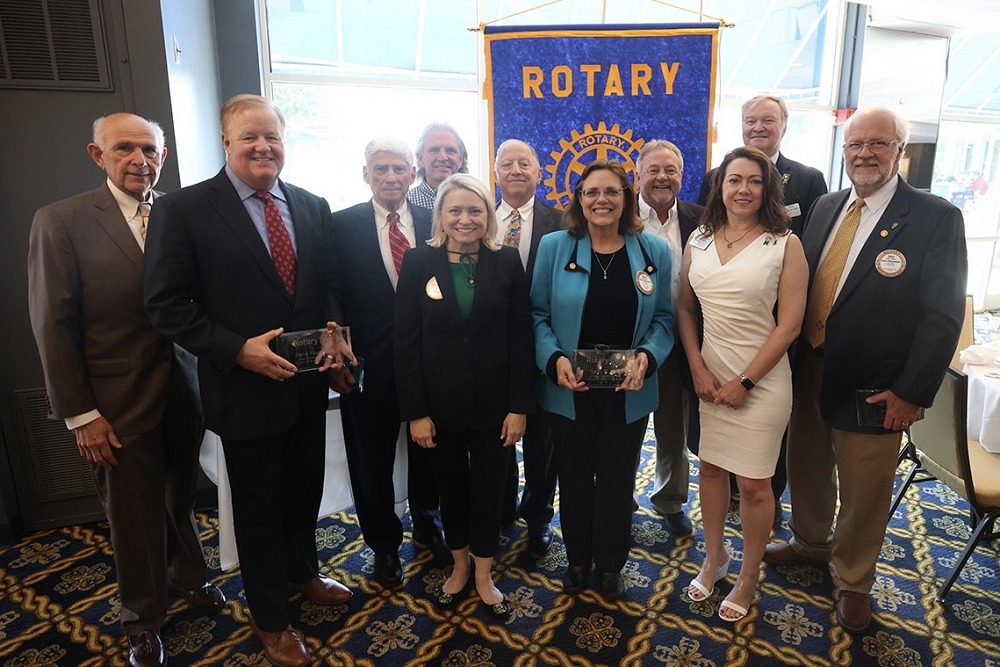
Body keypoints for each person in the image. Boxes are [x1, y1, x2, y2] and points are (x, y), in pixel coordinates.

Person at [143, 94, 353, 667]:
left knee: (303, 491)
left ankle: (302, 573)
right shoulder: (184, 210)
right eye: (250, 137)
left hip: (307, 386)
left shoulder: (311, 205)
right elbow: (166, 305)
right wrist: (238, 351)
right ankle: (269, 618)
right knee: (258, 509)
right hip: (242, 392)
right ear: (226, 142)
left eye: (273, 138)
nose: (264, 147)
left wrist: (335, 332)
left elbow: (327, 285)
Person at [27, 113, 224, 667]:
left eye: (150, 150)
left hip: (183, 393)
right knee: (132, 517)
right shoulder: (61, 220)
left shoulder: (178, 214)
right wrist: (81, 414)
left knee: (179, 500)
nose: (140, 160)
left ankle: (188, 579)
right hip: (113, 404)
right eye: (125, 149)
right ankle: (143, 618)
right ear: (98, 154)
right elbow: (51, 324)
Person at [764, 107, 968, 634]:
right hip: (808, 365)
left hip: (877, 385)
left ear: (900, 150)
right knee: (806, 462)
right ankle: (811, 542)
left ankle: (853, 580)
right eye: (855, 144)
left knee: (864, 487)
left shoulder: (935, 217)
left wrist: (912, 391)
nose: (864, 153)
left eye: (878, 144)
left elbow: (942, 317)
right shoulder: (829, 204)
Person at [531, 160, 674, 600]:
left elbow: (665, 319)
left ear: (626, 198)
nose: (601, 200)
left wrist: (647, 359)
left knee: (617, 481)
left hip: (627, 391)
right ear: (578, 199)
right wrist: (553, 359)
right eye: (591, 192)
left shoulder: (653, 251)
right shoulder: (555, 246)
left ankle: (611, 562)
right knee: (573, 477)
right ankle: (576, 558)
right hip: (568, 388)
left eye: (611, 192)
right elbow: (536, 316)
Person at [678, 146, 808, 622]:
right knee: (710, 471)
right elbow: (686, 309)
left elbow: (789, 326)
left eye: (754, 181)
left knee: (755, 485)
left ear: (767, 188)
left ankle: (749, 573)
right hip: (709, 378)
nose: (743, 189)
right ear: (721, 186)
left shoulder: (785, 243)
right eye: (734, 180)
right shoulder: (701, 237)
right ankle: (715, 557)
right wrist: (696, 367)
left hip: (763, 379)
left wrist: (747, 381)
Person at [394, 173, 534, 615]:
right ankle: (458, 566)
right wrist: (415, 412)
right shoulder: (419, 262)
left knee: (490, 490)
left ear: (488, 216)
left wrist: (518, 407)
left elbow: (521, 340)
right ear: (440, 215)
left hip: (496, 405)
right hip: (440, 404)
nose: (465, 219)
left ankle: (484, 572)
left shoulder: (507, 260)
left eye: (475, 210)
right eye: (454, 210)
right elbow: (406, 342)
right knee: (450, 487)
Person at [697, 94, 828, 528]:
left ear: (784, 126)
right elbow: (703, 237)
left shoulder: (808, 179)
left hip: (773, 327)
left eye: (767, 120)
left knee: (765, 458)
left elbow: (816, 248)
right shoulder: (716, 176)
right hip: (718, 334)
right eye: (750, 119)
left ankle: (765, 503)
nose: (758, 127)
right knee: (711, 463)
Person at [329, 138, 448, 588]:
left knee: (428, 456)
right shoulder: (341, 225)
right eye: (381, 169)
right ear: (366, 174)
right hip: (368, 366)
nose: (392, 177)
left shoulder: (436, 222)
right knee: (371, 463)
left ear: (413, 174)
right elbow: (332, 288)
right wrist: (336, 335)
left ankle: (428, 526)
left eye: (400, 169)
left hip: (429, 365)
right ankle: (383, 547)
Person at [493, 138, 562, 557]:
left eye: (525, 163)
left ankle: (538, 517)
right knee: (495, 437)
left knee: (543, 441)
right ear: (496, 173)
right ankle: (501, 509)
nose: (516, 170)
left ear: (540, 173)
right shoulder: (477, 218)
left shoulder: (564, 220)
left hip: (544, 347)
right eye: (507, 163)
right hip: (491, 352)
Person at [636, 140, 705, 536]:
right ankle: (619, 497)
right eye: (654, 170)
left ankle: (670, 499)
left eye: (671, 170)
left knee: (673, 426)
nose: (662, 177)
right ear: (639, 175)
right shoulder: (620, 214)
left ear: (681, 175)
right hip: (630, 342)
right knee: (625, 428)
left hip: (683, 341)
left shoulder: (700, 218)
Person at [406, 122, 469, 211]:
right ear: (420, 159)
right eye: (434, 150)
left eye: (450, 150)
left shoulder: (476, 201)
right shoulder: (406, 204)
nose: (443, 157)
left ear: (461, 159)